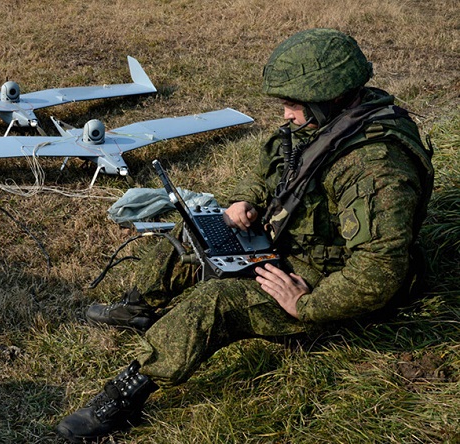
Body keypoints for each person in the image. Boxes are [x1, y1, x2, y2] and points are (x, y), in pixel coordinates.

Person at [56, 28, 434, 442]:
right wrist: (245, 202)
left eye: (293, 104)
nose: (287, 114)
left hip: (327, 282)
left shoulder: (374, 166)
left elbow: (379, 271)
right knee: (199, 225)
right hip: (286, 243)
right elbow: (270, 170)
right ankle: (139, 306)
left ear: (329, 96)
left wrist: (306, 305)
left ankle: (125, 394)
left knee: (216, 301)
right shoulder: (324, 126)